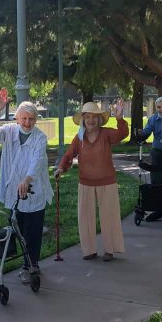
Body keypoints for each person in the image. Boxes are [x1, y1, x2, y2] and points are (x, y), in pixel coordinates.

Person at [0, 88, 53, 284]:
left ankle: (32, 265)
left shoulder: (40, 138)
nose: (27, 123)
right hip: (13, 190)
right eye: (23, 118)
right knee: (17, 228)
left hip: (33, 189)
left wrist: (27, 180)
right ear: (17, 119)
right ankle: (23, 262)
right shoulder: (9, 131)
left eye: (31, 119)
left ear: (35, 120)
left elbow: (38, 160)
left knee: (32, 230)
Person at [55, 100, 129, 261]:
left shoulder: (106, 133)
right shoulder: (79, 137)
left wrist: (119, 118)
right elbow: (69, 155)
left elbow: (122, 134)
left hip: (107, 182)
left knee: (110, 216)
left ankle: (110, 250)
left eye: (94, 117)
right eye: (87, 117)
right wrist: (61, 168)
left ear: (99, 119)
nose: (90, 120)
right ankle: (89, 250)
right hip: (85, 183)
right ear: (83, 120)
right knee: (85, 217)